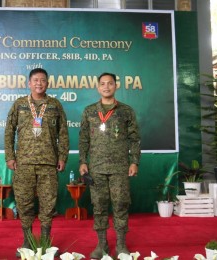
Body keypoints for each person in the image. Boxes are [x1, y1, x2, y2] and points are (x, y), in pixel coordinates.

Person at [4, 68, 69, 256]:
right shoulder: (19, 104)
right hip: (23, 163)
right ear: (29, 83)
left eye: (42, 80)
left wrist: (62, 157)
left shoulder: (55, 105)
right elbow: (9, 131)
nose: (39, 83)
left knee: (48, 204)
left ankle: (46, 243)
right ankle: (27, 241)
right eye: (35, 80)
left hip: (48, 162)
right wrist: (10, 156)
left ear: (47, 83)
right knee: (24, 203)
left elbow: (63, 133)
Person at [78, 72, 141, 259]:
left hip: (120, 167)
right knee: (98, 206)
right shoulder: (89, 111)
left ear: (116, 86)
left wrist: (134, 162)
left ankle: (121, 244)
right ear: (98, 87)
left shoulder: (126, 111)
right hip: (96, 168)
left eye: (110, 84)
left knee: (121, 204)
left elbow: (134, 139)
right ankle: (102, 244)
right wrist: (83, 161)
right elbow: (83, 139)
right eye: (103, 84)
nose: (106, 87)